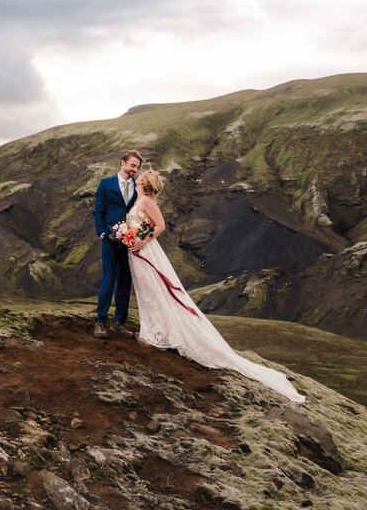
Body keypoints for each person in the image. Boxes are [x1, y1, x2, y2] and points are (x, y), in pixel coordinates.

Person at [123, 169, 305, 403]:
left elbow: (159, 226)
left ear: (145, 184)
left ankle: (155, 334)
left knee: (156, 290)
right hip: (138, 252)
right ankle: (154, 330)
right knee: (147, 291)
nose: (137, 178)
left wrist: (140, 241)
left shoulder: (147, 201)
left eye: (141, 178)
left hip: (146, 251)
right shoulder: (139, 199)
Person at [92, 150, 143, 339]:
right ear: (122, 163)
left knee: (125, 281)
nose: (135, 170)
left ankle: (119, 322)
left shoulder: (138, 187)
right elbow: (98, 211)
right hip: (109, 240)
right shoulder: (106, 183)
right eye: (132, 166)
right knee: (108, 280)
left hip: (130, 241)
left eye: (137, 167)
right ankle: (100, 321)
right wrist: (102, 232)